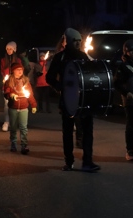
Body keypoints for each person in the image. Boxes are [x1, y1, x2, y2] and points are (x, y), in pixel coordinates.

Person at [46, 27, 100, 172]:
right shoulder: (60, 58)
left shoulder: (83, 57)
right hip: (68, 100)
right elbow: (49, 77)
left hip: (84, 100)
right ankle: (69, 162)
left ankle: (87, 161)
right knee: (68, 131)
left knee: (88, 130)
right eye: (74, 40)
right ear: (68, 41)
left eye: (79, 41)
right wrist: (60, 87)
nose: (77, 43)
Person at [3, 62, 37, 154]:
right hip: (13, 108)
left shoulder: (26, 81)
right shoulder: (9, 81)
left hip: (23, 108)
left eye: (21, 70)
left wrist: (33, 105)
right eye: (17, 70)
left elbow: (30, 95)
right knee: (13, 127)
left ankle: (24, 145)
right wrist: (11, 95)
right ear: (13, 71)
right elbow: (6, 92)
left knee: (23, 127)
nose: (20, 71)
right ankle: (13, 143)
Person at [0, 41, 22, 132]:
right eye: (7, 49)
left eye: (11, 49)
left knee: (17, 104)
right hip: (6, 85)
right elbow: (1, 71)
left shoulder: (18, 60)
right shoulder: (3, 60)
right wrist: (3, 79)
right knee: (6, 105)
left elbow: (21, 72)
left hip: (16, 85)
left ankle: (16, 122)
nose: (9, 50)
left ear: (14, 50)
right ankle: (6, 121)